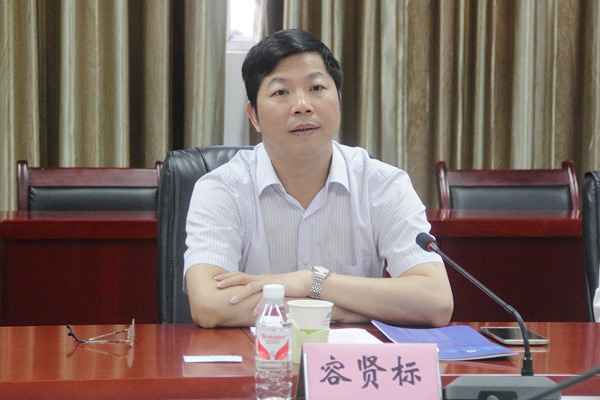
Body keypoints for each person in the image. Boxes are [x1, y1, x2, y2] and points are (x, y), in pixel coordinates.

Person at [184, 29, 453, 328]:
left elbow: (436, 301)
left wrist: (310, 281)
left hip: (353, 356)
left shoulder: (384, 184)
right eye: (281, 92)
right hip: (256, 354)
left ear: (338, 100)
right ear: (254, 116)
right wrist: (337, 309)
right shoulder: (221, 189)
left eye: (316, 88)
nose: (302, 105)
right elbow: (209, 305)